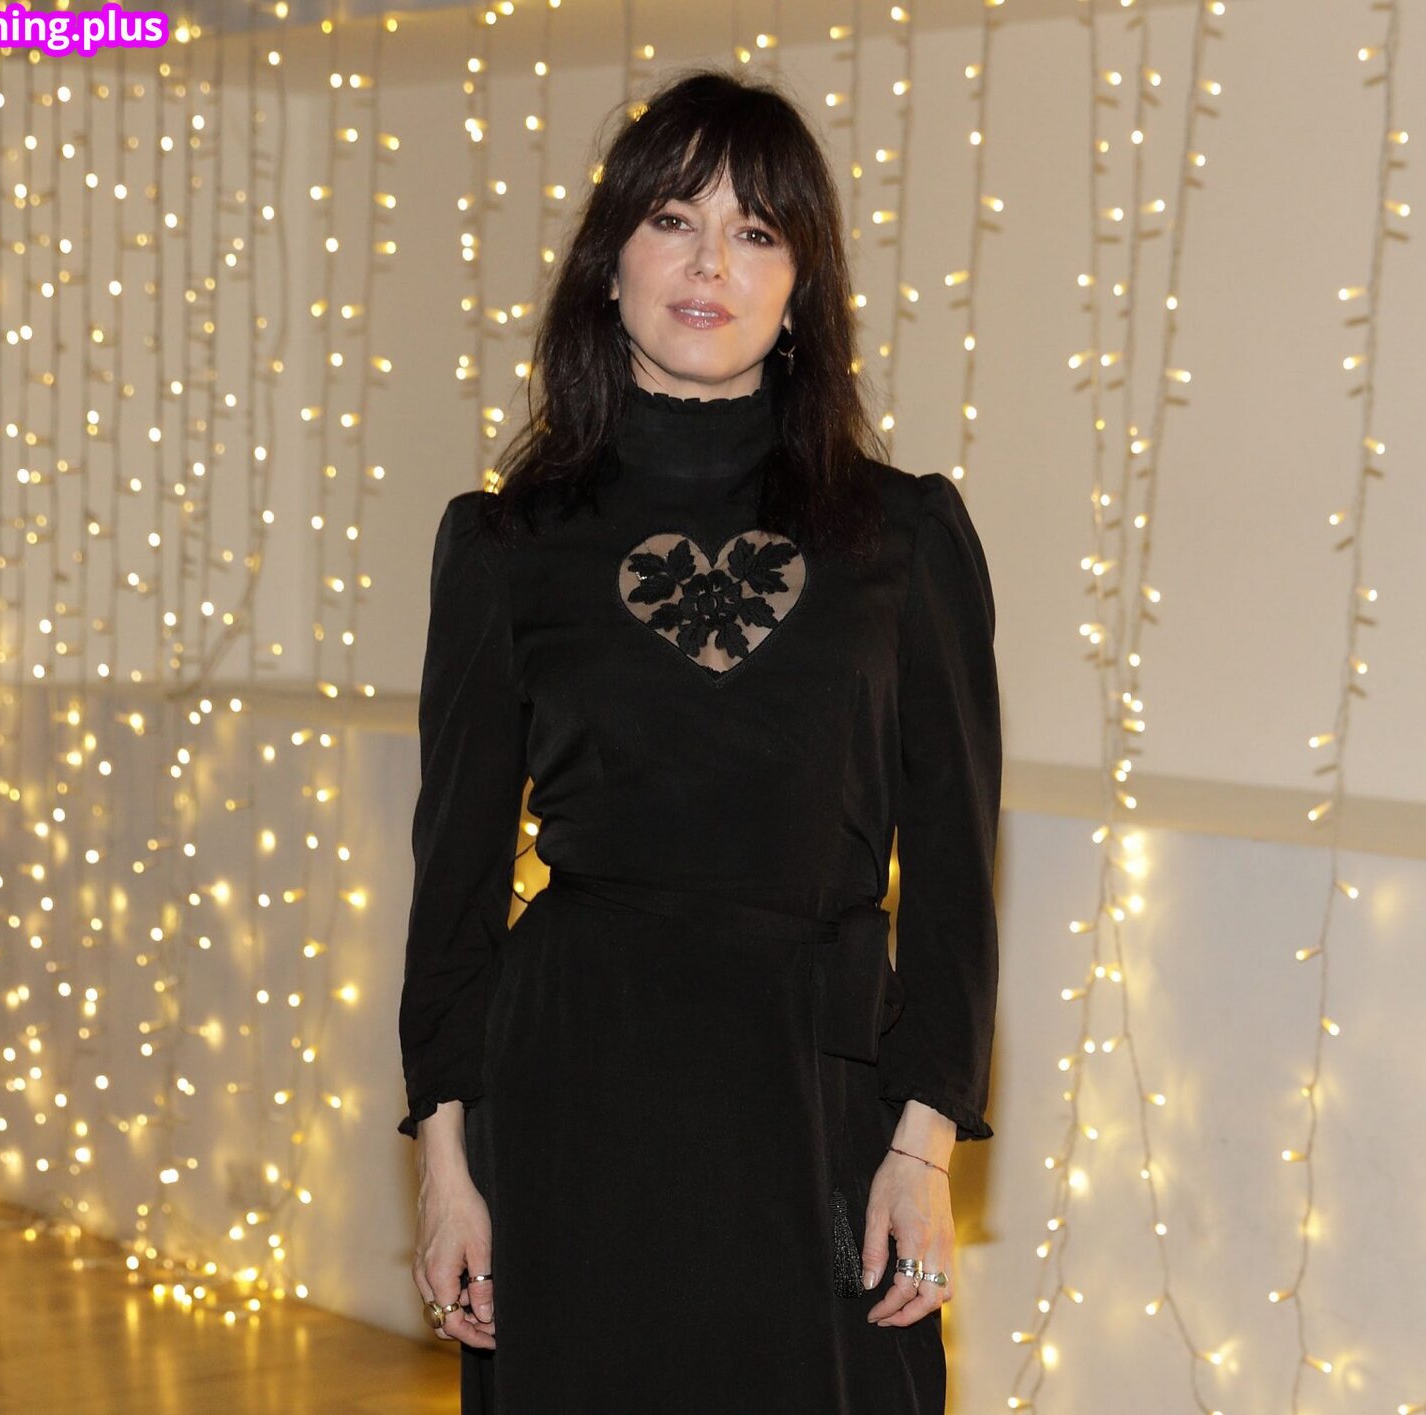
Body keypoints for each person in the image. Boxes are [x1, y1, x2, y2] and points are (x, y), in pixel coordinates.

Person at [398, 66, 1002, 1414]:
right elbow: (453, 886)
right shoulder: (505, 544)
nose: (710, 263)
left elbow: (958, 879)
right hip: (569, 1097)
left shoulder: (904, 539)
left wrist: (925, 1149)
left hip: (820, 1105)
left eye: (756, 230)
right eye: (673, 220)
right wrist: (445, 1164)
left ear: (801, 285)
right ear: (609, 263)